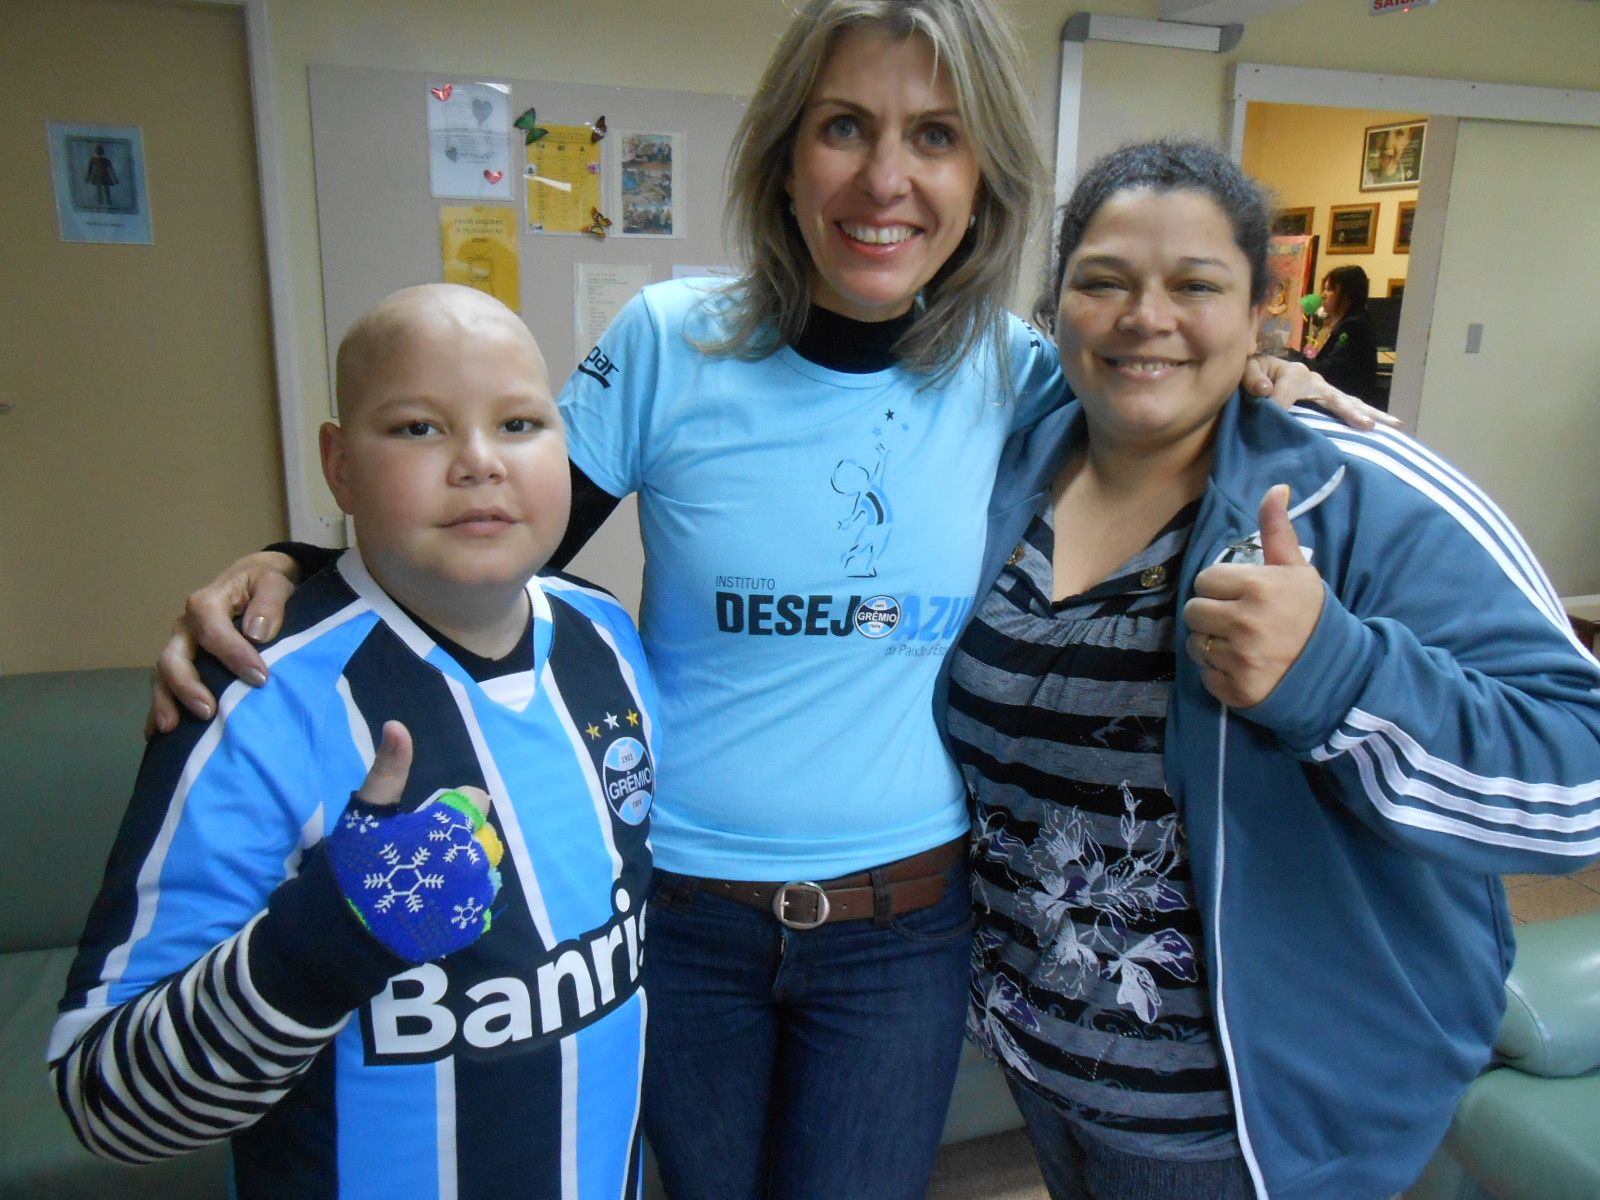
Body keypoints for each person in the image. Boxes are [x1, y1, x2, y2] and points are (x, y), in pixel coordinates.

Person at [143, 6, 1385, 1197]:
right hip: (677, 919)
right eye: (844, 125)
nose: (884, 178)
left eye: (934, 135)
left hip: (903, 929)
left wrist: (1257, 374)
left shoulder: (1019, 375)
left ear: (981, 177)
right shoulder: (672, 341)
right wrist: (300, 569)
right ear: (786, 155)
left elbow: (1158, 384)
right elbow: (484, 537)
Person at [941, 137, 1600, 1200]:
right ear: (1054, 308)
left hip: (1255, 1126)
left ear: (1260, 314)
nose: (1144, 316)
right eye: (1102, 282)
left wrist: (1335, 676)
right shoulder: (1006, 462)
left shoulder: (1361, 490)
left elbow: (1579, 788)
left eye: (1194, 285)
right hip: (1041, 1069)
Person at [51, 284, 658, 1199]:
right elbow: (109, 1101)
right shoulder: (252, 696)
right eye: (418, 429)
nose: (479, 462)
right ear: (338, 464)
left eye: (522, 423)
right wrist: (332, 934)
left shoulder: (608, 636)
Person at [1307, 264, 1379, 404]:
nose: (1323, 295)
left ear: (1347, 294)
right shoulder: (1350, 323)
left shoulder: (1353, 327)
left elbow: (1330, 371)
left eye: (1330, 289)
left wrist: (1295, 358)